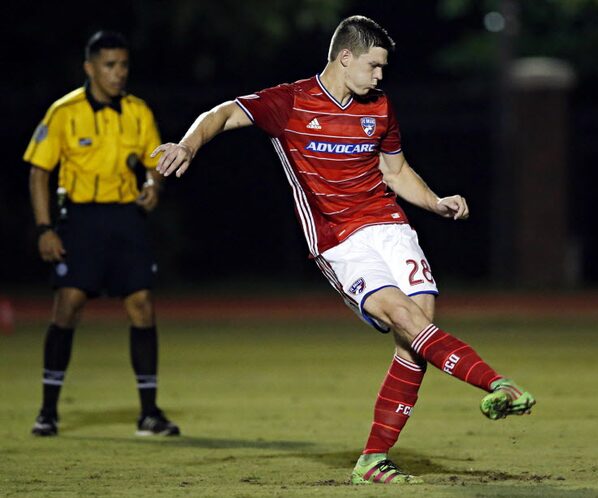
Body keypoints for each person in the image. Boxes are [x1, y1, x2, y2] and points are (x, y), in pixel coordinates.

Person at [153, 15, 533, 483]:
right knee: (406, 320)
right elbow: (225, 113)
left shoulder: (381, 106)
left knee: (418, 334)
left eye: (383, 69)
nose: (380, 77)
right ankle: (496, 382)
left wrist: (436, 202)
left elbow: (394, 172)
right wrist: (190, 146)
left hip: (390, 226)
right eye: (374, 66)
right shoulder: (290, 102)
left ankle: (373, 459)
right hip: (340, 240)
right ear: (345, 57)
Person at [23, 31, 179, 437]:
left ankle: (149, 414)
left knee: (142, 304)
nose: (118, 73)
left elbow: (154, 164)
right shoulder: (64, 112)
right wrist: (44, 229)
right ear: (90, 68)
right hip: (81, 219)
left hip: (126, 219)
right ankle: (48, 411)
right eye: (109, 65)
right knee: (68, 305)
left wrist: (153, 187)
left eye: (123, 65)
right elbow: (39, 171)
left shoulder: (138, 111)